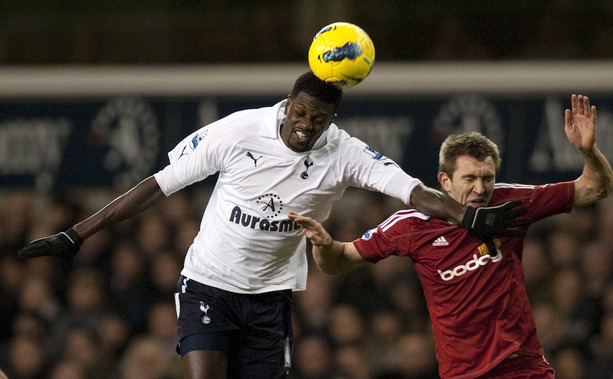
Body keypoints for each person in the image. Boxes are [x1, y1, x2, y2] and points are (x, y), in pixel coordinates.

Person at [16, 71, 526, 379]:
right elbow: (157, 185)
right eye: (301, 113)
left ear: (330, 120)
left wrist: (468, 215)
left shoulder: (344, 152)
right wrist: (78, 233)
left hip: (270, 297)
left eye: (319, 119)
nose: (307, 125)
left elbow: (411, 191)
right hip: (208, 286)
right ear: (288, 105)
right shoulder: (239, 131)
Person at [289, 94, 613, 379]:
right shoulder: (411, 225)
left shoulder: (510, 202)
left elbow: (596, 187)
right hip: (462, 374)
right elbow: (337, 262)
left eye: (487, 177)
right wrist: (323, 245)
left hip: (523, 367)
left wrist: (588, 151)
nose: (480, 188)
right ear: (444, 181)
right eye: (469, 178)